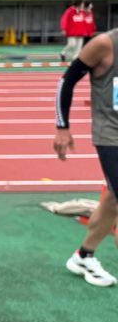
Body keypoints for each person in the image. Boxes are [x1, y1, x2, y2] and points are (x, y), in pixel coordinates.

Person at [55, 27, 118, 286]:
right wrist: (62, 128)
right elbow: (66, 81)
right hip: (111, 135)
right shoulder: (104, 44)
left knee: (113, 201)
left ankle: (84, 255)